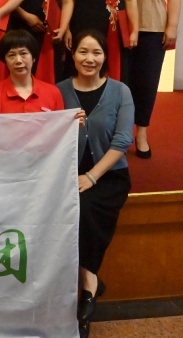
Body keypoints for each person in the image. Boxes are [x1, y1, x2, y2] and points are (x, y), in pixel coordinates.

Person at [56, 29, 133, 338]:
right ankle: (91, 284)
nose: (90, 58)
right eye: (83, 52)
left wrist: (91, 176)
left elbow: (123, 141)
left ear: (105, 57)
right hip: (67, 173)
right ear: (73, 56)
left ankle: (87, 286)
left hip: (108, 175)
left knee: (85, 208)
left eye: (96, 52)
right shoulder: (59, 91)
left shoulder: (120, 91)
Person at [122, 0, 182, 159]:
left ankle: (142, 133)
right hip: (122, 29)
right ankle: (122, 133)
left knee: (146, 84)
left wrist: (172, 26)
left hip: (154, 30)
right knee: (122, 84)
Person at [0, 29, 64, 113]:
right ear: (5, 61)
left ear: (33, 57)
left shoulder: (53, 93)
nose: (18, 61)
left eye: (23, 53)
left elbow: (61, 122)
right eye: (12, 55)